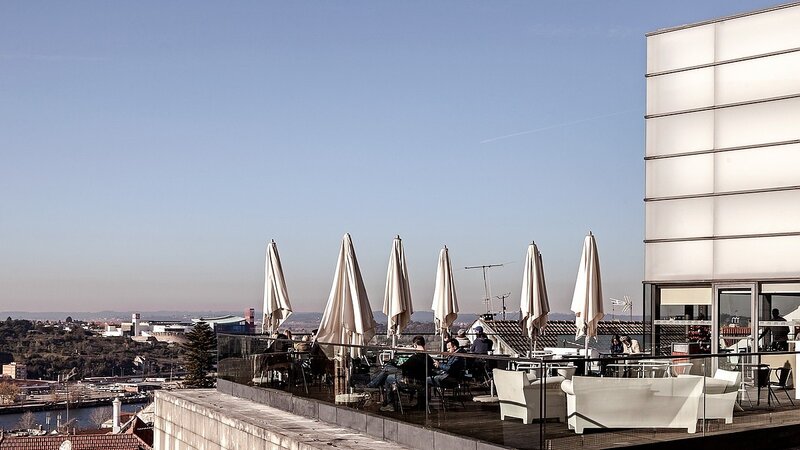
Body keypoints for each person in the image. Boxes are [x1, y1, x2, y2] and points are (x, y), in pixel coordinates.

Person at [378, 335, 435, 412]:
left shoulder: (414, 358)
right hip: (423, 383)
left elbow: (402, 369)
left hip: (411, 383)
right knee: (388, 373)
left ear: (414, 345)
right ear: (424, 344)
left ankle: (390, 404)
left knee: (388, 378)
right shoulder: (429, 358)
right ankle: (374, 384)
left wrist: (394, 365)